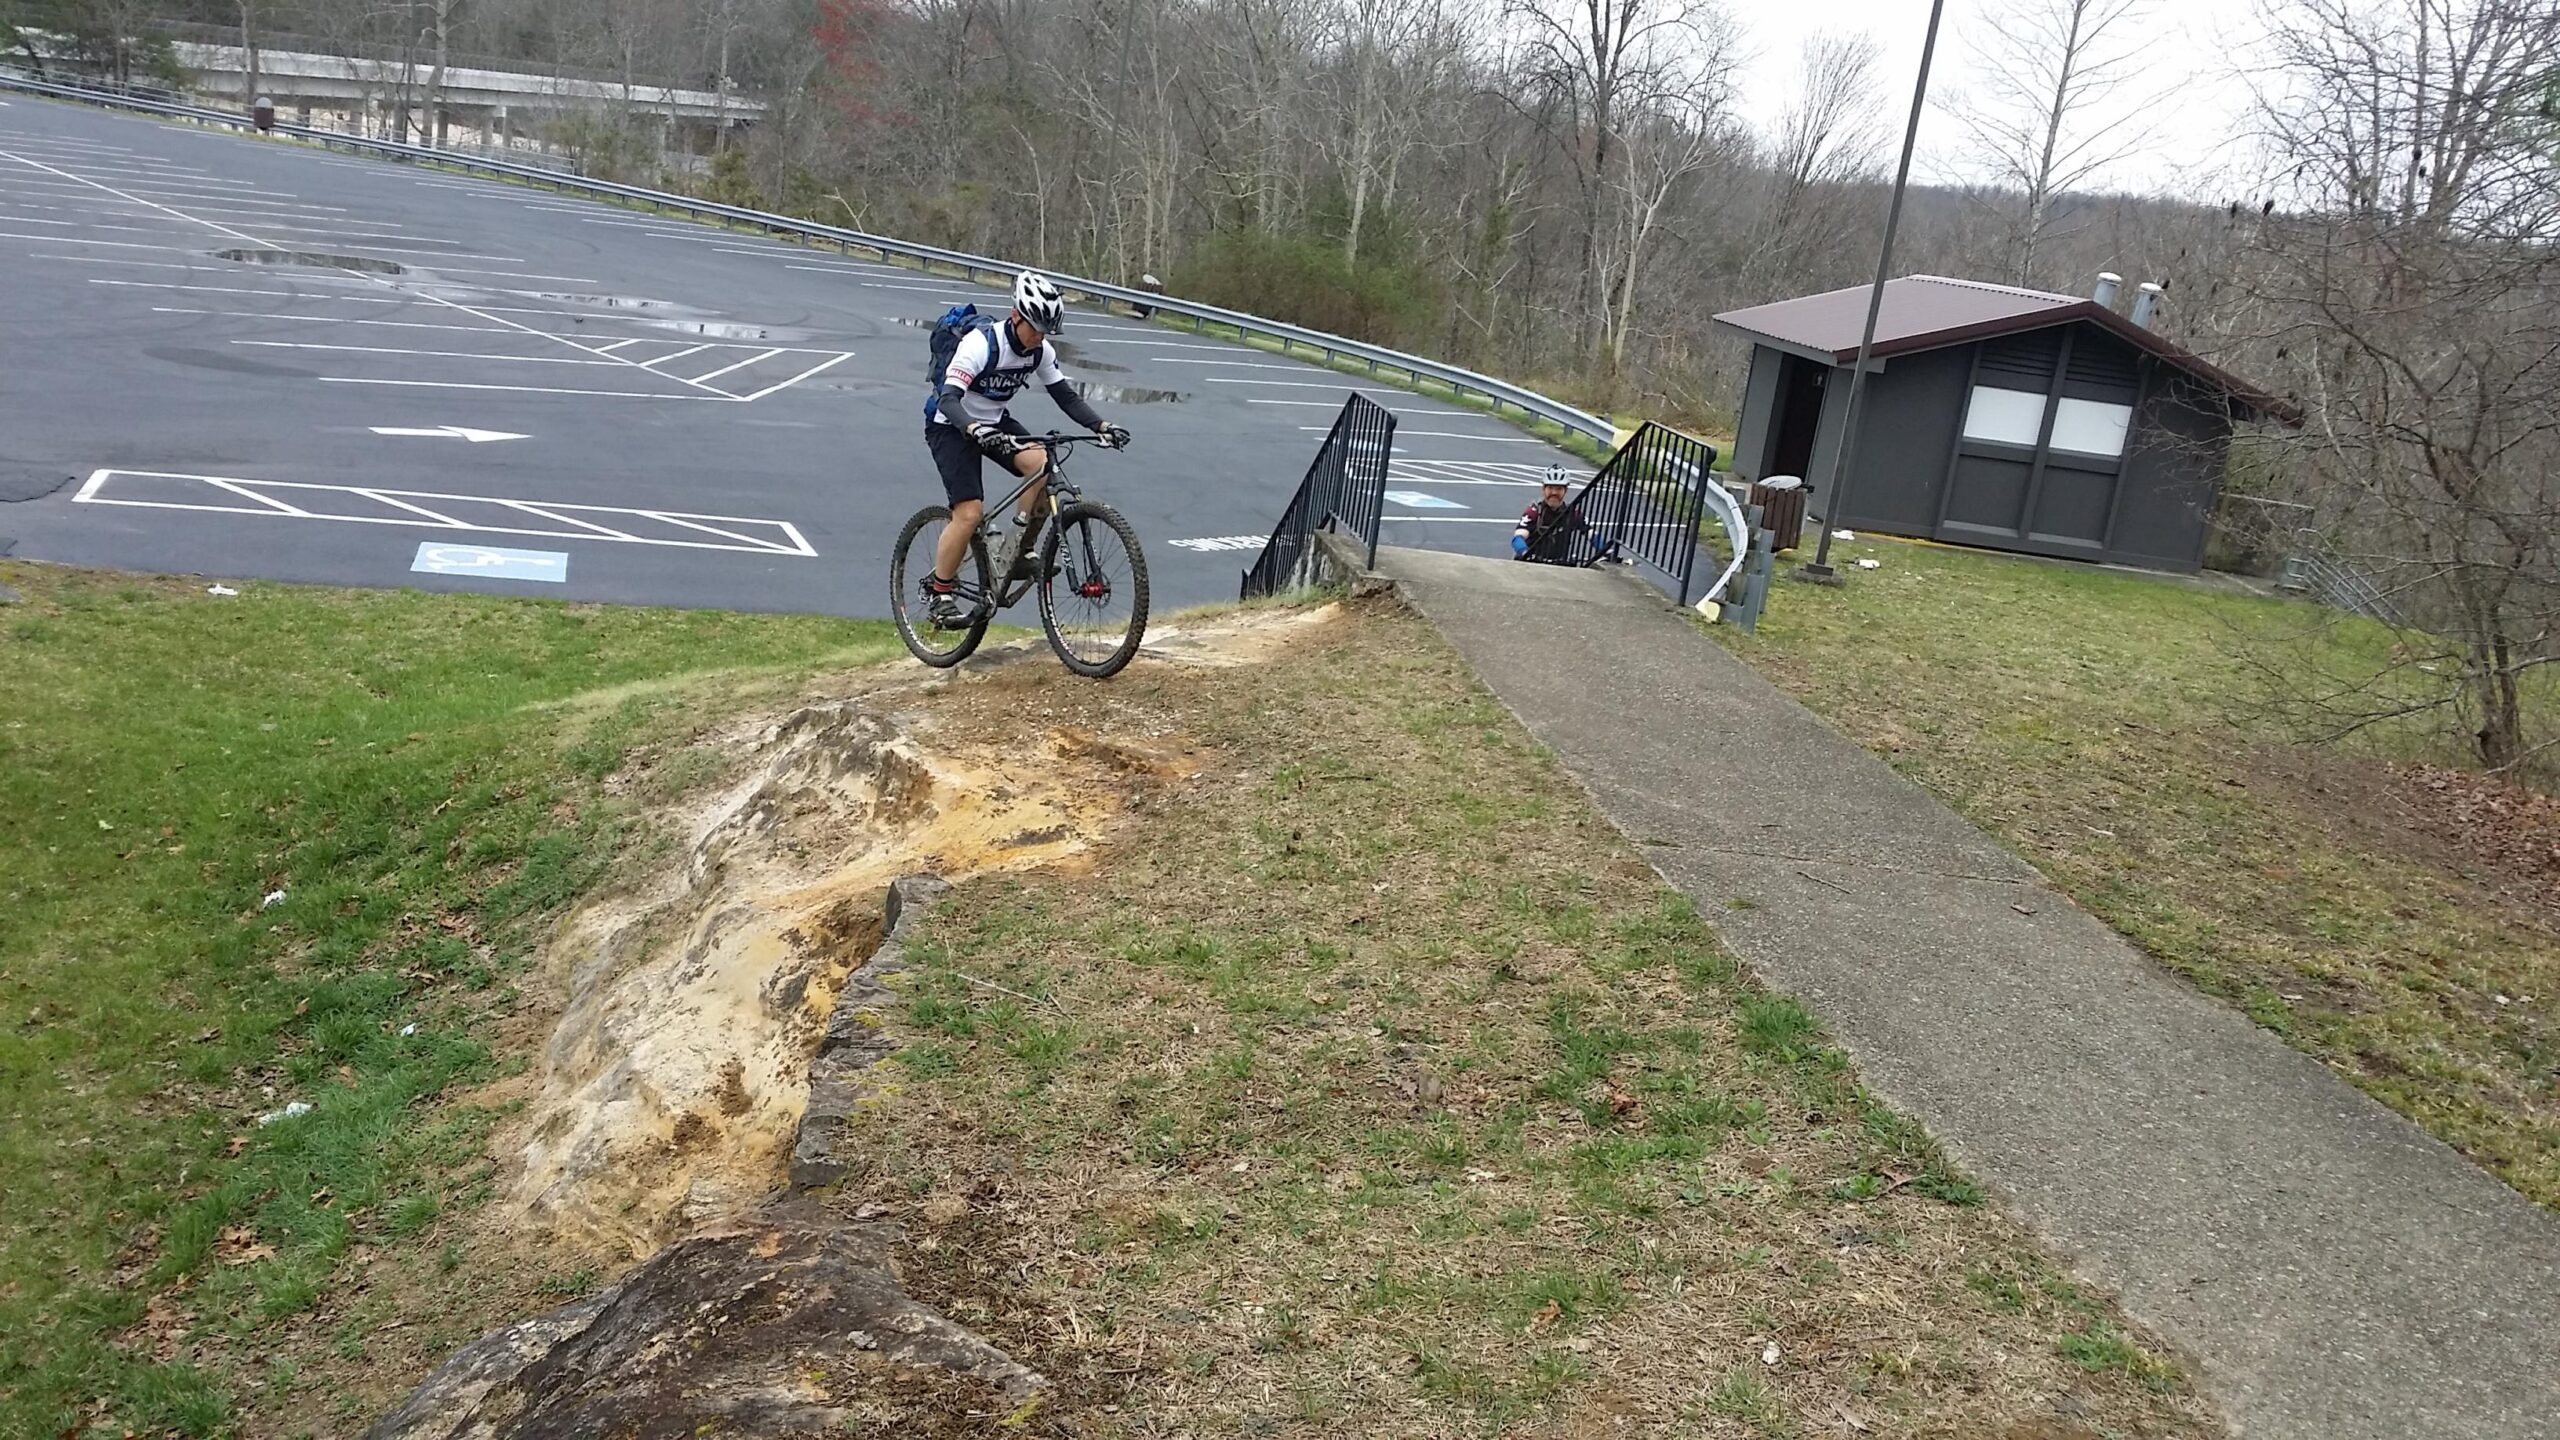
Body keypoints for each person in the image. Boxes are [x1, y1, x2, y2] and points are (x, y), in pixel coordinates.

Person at [922, 271, 1129, 625]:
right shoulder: (979, 344)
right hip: (951, 426)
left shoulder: (1040, 351)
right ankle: (940, 591)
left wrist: (1101, 425)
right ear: (1016, 315)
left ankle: (1019, 549)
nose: (1039, 337)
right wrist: (972, 428)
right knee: (969, 513)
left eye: (1045, 331)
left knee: (1041, 462)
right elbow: (948, 399)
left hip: (994, 421)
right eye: (1034, 327)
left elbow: (1065, 396)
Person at [1512, 464, 1608, 564]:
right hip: (1532, 563)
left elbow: (1591, 534)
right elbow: (1518, 537)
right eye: (1550, 488)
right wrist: (1524, 553)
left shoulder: (1572, 513)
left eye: (1558, 489)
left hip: (1559, 565)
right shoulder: (1534, 511)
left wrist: (1607, 551)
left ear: (1565, 490)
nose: (1554, 492)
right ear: (1543, 489)